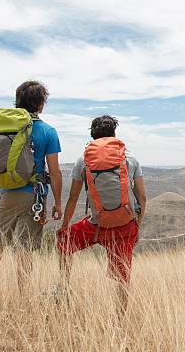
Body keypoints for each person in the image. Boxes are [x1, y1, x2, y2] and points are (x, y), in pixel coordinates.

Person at [0, 81, 63, 299]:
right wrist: (58, 202)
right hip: (33, 195)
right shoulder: (48, 131)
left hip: (7, 191)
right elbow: (54, 172)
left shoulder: (6, 127)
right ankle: (23, 296)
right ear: (41, 103)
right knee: (24, 246)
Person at [56, 115, 146, 313]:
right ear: (114, 135)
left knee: (63, 243)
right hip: (125, 225)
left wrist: (64, 226)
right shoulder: (130, 159)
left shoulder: (84, 160)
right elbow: (142, 198)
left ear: (92, 137)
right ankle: (120, 317)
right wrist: (136, 225)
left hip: (96, 225)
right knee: (123, 278)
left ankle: (63, 288)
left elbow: (73, 197)